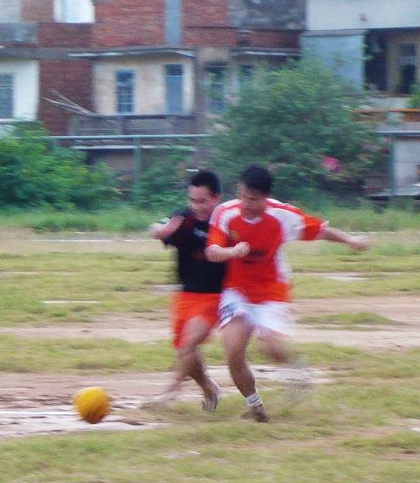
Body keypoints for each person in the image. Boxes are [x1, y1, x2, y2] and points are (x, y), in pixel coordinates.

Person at [205, 164, 369, 422]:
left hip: (271, 290)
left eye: (254, 199)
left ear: (266, 197)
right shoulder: (225, 213)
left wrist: (350, 240)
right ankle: (256, 407)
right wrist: (231, 252)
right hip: (237, 291)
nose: (247, 204)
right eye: (244, 196)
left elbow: (321, 230)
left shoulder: (282, 216)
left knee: (270, 346)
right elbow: (212, 252)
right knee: (233, 353)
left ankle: (297, 369)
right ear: (239, 190)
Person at [149, 169, 225, 411]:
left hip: (214, 296)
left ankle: (171, 393)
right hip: (185, 295)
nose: (196, 206)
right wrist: (160, 231)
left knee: (188, 346)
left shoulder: (226, 222)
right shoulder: (183, 219)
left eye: (202, 201)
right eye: (192, 200)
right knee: (185, 352)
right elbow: (157, 228)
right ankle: (209, 389)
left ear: (216, 198)